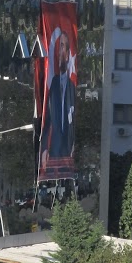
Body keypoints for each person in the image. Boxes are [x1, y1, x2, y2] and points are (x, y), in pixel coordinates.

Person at [40, 28, 76, 171]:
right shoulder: (53, 84)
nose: (58, 51)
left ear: (67, 55)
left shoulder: (73, 88)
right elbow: (46, 119)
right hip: (53, 151)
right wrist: (43, 149)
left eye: (62, 46)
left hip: (69, 151)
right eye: (57, 46)